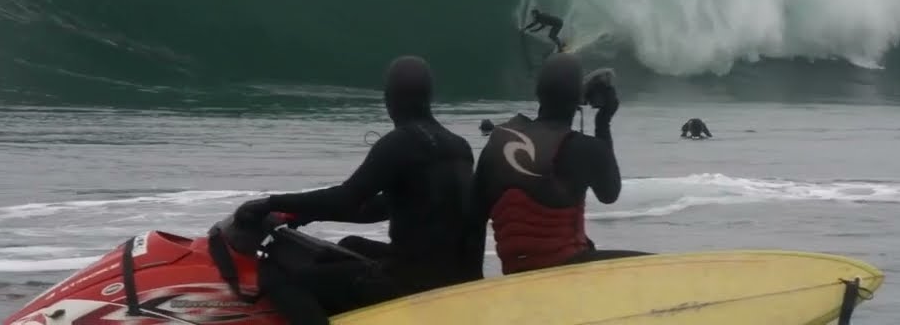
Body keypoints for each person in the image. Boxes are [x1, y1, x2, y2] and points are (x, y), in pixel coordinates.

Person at [224, 56, 475, 314]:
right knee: (350, 246)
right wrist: (304, 212)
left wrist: (271, 203)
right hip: (455, 279)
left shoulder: (400, 142)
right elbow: (378, 208)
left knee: (285, 282)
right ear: (429, 96)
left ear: (389, 97)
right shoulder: (459, 146)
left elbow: (346, 198)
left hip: (410, 282)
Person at [462, 53, 645, 276]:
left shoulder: (498, 141)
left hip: (515, 272)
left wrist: (473, 284)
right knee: (655, 267)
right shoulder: (584, 147)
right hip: (565, 273)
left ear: (539, 93)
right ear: (579, 99)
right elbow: (609, 194)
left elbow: (473, 221)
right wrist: (603, 122)